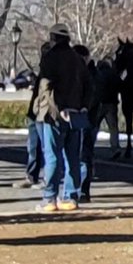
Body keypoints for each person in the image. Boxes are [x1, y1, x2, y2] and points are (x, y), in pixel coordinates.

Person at [33, 24, 91, 212]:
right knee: (73, 158)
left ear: (53, 37)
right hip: (75, 115)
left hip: (54, 116)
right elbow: (89, 86)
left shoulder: (50, 58)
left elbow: (46, 87)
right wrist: (82, 107)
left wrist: (55, 109)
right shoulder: (78, 59)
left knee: (52, 157)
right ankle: (70, 197)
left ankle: (50, 198)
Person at [12, 41, 54, 189]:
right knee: (33, 146)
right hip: (35, 112)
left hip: (44, 112)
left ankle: (48, 179)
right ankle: (31, 175)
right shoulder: (43, 70)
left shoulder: (54, 70)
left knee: (47, 148)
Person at [74, 44, 102, 201]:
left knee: (84, 155)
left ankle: (83, 189)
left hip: (87, 120)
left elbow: (92, 98)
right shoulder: (87, 74)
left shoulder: (91, 76)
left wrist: (80, 108)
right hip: (85, 119)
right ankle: (79, 188)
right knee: (81, 155)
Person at [95, 57, 122, 159]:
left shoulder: (97, 73)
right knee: (113, 128)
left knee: (94, 126)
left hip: (99, 104)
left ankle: (89, 146)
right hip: (112, 104)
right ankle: (115, 147)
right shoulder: (114, 74)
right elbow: (121, 86)